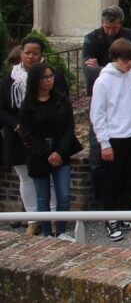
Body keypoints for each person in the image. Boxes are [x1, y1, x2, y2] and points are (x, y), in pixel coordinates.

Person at [2, 37, 68, 236]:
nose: (30, 56)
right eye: (27, 52)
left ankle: (54, 217)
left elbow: (62, 103)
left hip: (46, 135)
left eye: (35, 53)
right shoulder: (10, 79)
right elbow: (2, 109)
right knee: (26, 178)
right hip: (18, 135)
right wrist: (16, 124)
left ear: (41, 55)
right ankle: (33, 219)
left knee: (49, 178)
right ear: (21, 53)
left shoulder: (53, 76)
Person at [90, 37, 131, 241]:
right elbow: (97, 114)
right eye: (126, 60)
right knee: (112, 182)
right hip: (115, 139)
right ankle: (110, 219)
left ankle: (127, 214)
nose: (130, 64)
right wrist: (104, 143)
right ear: (115, 58)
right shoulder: (103, 81)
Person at [18, 62, 81, 240]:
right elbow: (27, 133)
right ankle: (47, 233)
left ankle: (60, 230)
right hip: (39, 153)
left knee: (63, 194)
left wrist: (60, 152)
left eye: (51, 77)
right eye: (45, 77)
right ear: (37, 80)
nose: (49, 81)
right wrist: (47, 153)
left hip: (60, 148)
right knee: (42, 197)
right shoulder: (28, 104)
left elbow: (69, 127)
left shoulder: (61, 100)